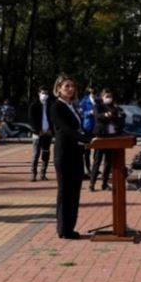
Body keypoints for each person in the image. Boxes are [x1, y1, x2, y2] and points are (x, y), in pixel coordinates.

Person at [50, 75, 89, 238]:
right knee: (65, 192)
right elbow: (65, 129)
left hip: (75, 153)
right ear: (58, 89)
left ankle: (69, 228)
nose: (70, 89)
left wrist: (93, 136)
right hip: (64, 153)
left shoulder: (72, 105)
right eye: (67, 86)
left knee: (74, 192)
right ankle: (63, 229)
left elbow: (79, 128)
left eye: (72, 86)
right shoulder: (56, 107)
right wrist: (85, 139)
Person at [90, 88, 125, 191]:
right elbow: (97, 116)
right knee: (97, 160)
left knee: (108, 162)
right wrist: (106, 115)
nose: (109, 99)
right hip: (101, 136)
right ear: (102, 97)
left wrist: (118, 116)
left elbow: (119, 116)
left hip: (111, 136)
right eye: (107, 97)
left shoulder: (114, 107)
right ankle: (92, 183)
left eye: (110, 96)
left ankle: (104, 184)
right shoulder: (98, 106)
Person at [28, 86, 54, 182]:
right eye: (43, 93)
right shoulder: (34, 105)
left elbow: (54, 119)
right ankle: (33, 174)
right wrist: (37, 130)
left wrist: (51, 130)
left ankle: (43, 173)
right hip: (37, 133)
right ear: (39, 93)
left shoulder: (50, 105)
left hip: (48, 133)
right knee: (36, 154)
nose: (45, 95)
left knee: (46, 153)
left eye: (46, 93)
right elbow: (31, 120)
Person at [79, 87, 97, 177]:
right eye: (92, 93)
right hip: (87, 127)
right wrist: (89, 112)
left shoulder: (98, 101)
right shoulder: (84, 101)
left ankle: (95, 168)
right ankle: (88, 168)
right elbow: (80, 113)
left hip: (97, 128)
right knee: (87, 150)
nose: (94, 95)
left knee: (98, 150)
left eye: (95, 94)